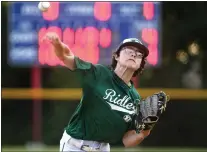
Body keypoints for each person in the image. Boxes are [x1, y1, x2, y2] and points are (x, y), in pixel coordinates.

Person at [43, 33, 152, 151]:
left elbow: (126, 140)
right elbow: (66, 55)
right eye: (128, 50)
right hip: (74, 146)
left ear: (141, 63)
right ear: (116, 56)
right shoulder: (98, 73)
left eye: (139, 54)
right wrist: (58, 44)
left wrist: (145, 130)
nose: (133, 54)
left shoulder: (134, 98)